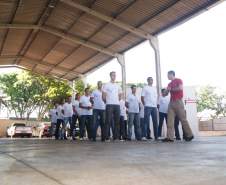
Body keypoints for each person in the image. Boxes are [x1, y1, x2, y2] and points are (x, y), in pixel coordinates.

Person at [162, 70, 194, 142]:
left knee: (183, 119)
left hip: (178, 101)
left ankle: (190, 135)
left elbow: (180, 88)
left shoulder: (179, 80)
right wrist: (165, 93)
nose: (167, 76)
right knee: (169, 120)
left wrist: (171, 89)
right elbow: (166, 94)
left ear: (172, 74)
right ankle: (170, 137)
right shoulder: (169, 84)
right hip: (171, 103)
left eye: (168, 75)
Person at [102, 71, 122, 141]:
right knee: (108, 121)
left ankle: (116, 137)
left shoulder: (118, 85)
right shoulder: (106, 85)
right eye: (113, 75)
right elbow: (103, 96)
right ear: (110, 76)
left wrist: (117, 101)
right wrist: (107, 102)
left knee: (117, 122)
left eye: (115, 75)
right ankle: (106, 138)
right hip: (109, 104)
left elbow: (120, 95)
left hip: (117, 105)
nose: (114, 76)